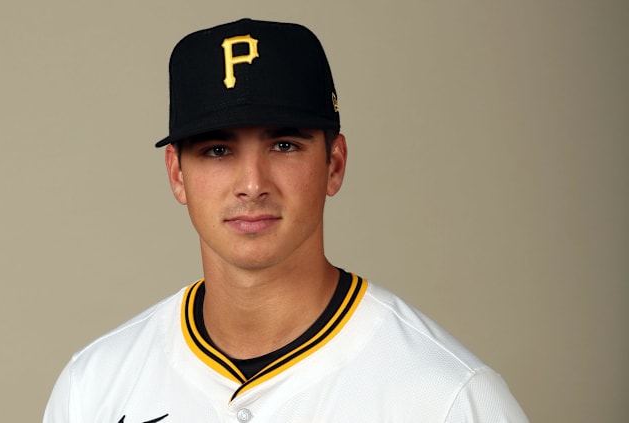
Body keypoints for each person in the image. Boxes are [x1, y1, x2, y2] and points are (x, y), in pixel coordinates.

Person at [43, 18, 529, 422]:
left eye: (284, 145)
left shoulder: (448, 398)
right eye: (217, 150)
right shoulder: (93, 388)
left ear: (334, 164)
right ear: (177, 174)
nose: (253, 184)